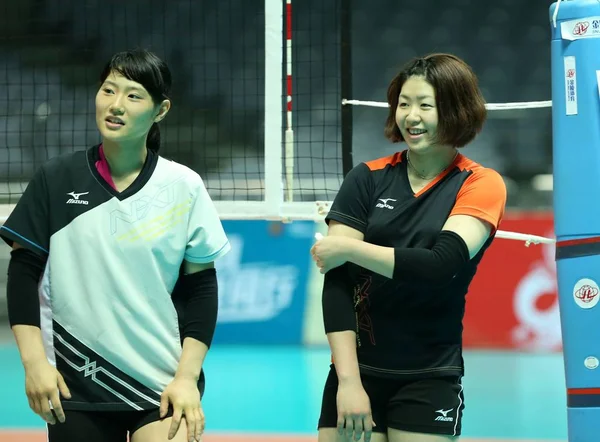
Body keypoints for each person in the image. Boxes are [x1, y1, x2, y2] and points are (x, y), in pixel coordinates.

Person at [2, 49, 230, 442]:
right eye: (108, 90)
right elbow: (23, 273)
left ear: (161, 110)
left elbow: (201, 290)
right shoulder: (56, 178)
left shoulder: (184, 186)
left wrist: (187, 378)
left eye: (134, 95)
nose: (116, 105)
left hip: (162, 380)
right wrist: (34, 364)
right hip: (76, 381)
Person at [311, 53, 507, 442]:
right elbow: (337, 285)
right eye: (403, 103)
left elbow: (440, 265)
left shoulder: (480, 184)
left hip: (429, 375)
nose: (411, 116)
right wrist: (348, 382)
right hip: (357, 371)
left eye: (425, 105)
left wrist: (350, 249)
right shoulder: (366, 178)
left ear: (454, 109)